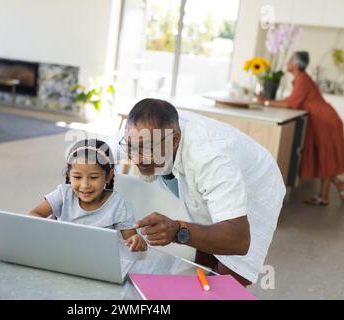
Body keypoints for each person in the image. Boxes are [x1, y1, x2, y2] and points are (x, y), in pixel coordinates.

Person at [119, 98, 286, 286]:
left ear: (173, 140)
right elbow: (98, 153)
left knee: (228, 278)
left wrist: (178, 230)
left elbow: (239, 239)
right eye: (131, 147)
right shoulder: (142, 131)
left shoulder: (211, 156)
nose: (136, 157)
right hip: (210, 177)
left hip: (257, 184)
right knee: (200, 262)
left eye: (147, 149)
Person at [29, 139, 147, 252]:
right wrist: (51, 230)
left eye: (93, 177)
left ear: (108, 176)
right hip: (60, 252)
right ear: (68, 174)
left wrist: (136, 241)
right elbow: (34, 214)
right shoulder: (63, 194)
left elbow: (130, 239)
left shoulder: (118, 204)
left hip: (99, 260)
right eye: (77, 177)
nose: (85, 185)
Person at [258, 51, 344, 205]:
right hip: (323, 120)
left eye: (290, 60)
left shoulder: (302, 80)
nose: (287, 62)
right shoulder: (301, 79)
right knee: (324, 157)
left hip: (325, 122)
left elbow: (290, 103)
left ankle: (327, 194)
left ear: (296, 64)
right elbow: (291, 99)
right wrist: (270, 101)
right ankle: (330, 192)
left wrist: (266, 102)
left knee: (326, 157)